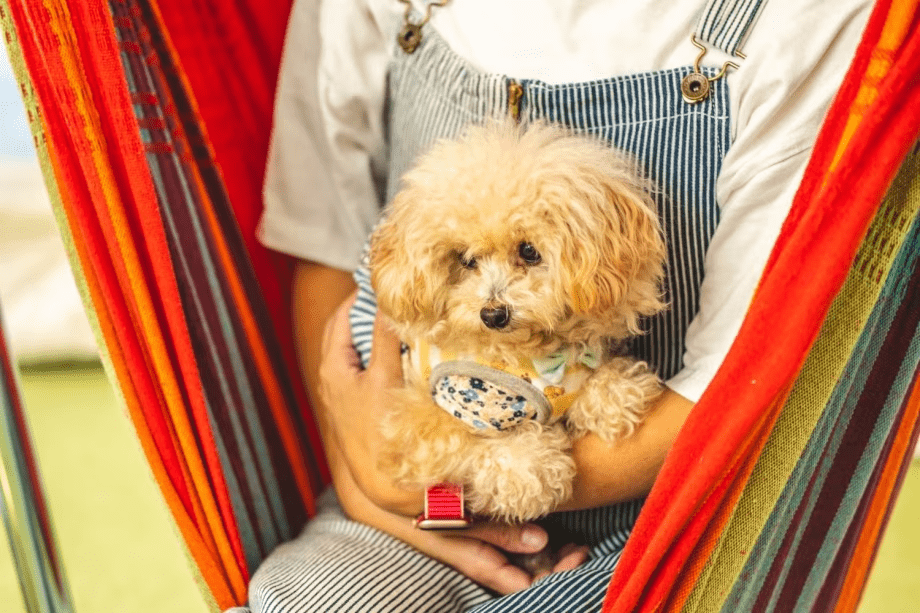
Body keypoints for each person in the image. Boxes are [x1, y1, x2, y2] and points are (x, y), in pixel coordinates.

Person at [246, 0, 872, 611]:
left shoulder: (808, 17)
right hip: (401, 489)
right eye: (469, 262)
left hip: (673, 514)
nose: (492, 298)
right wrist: (376, 481)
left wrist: (460, 494)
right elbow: (325, 240)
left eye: (526, 254)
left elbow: (742, 374)